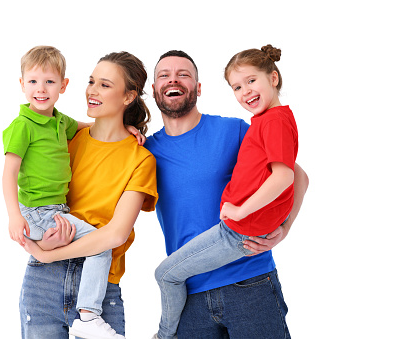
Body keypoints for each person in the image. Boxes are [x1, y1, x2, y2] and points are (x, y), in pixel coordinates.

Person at [145, 49, 309, 339]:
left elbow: (296, 176)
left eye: (184, 74)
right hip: (190, 294)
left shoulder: (233, 130)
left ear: (198, 87)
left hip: (251, 282)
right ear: (155, 90)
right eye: (164, 75)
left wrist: (284, 227)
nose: (174, 80)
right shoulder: (145, 152)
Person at [19, 51, 158, 339]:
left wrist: (47, 254)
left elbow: (114, 235)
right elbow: (33, 200)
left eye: (105, 85)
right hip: (44, 283)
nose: (92, 91)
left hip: (99, 289)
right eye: (91, 81)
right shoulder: (65, 138)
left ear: (128, 97)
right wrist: (42, 245)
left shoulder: (140, 159)